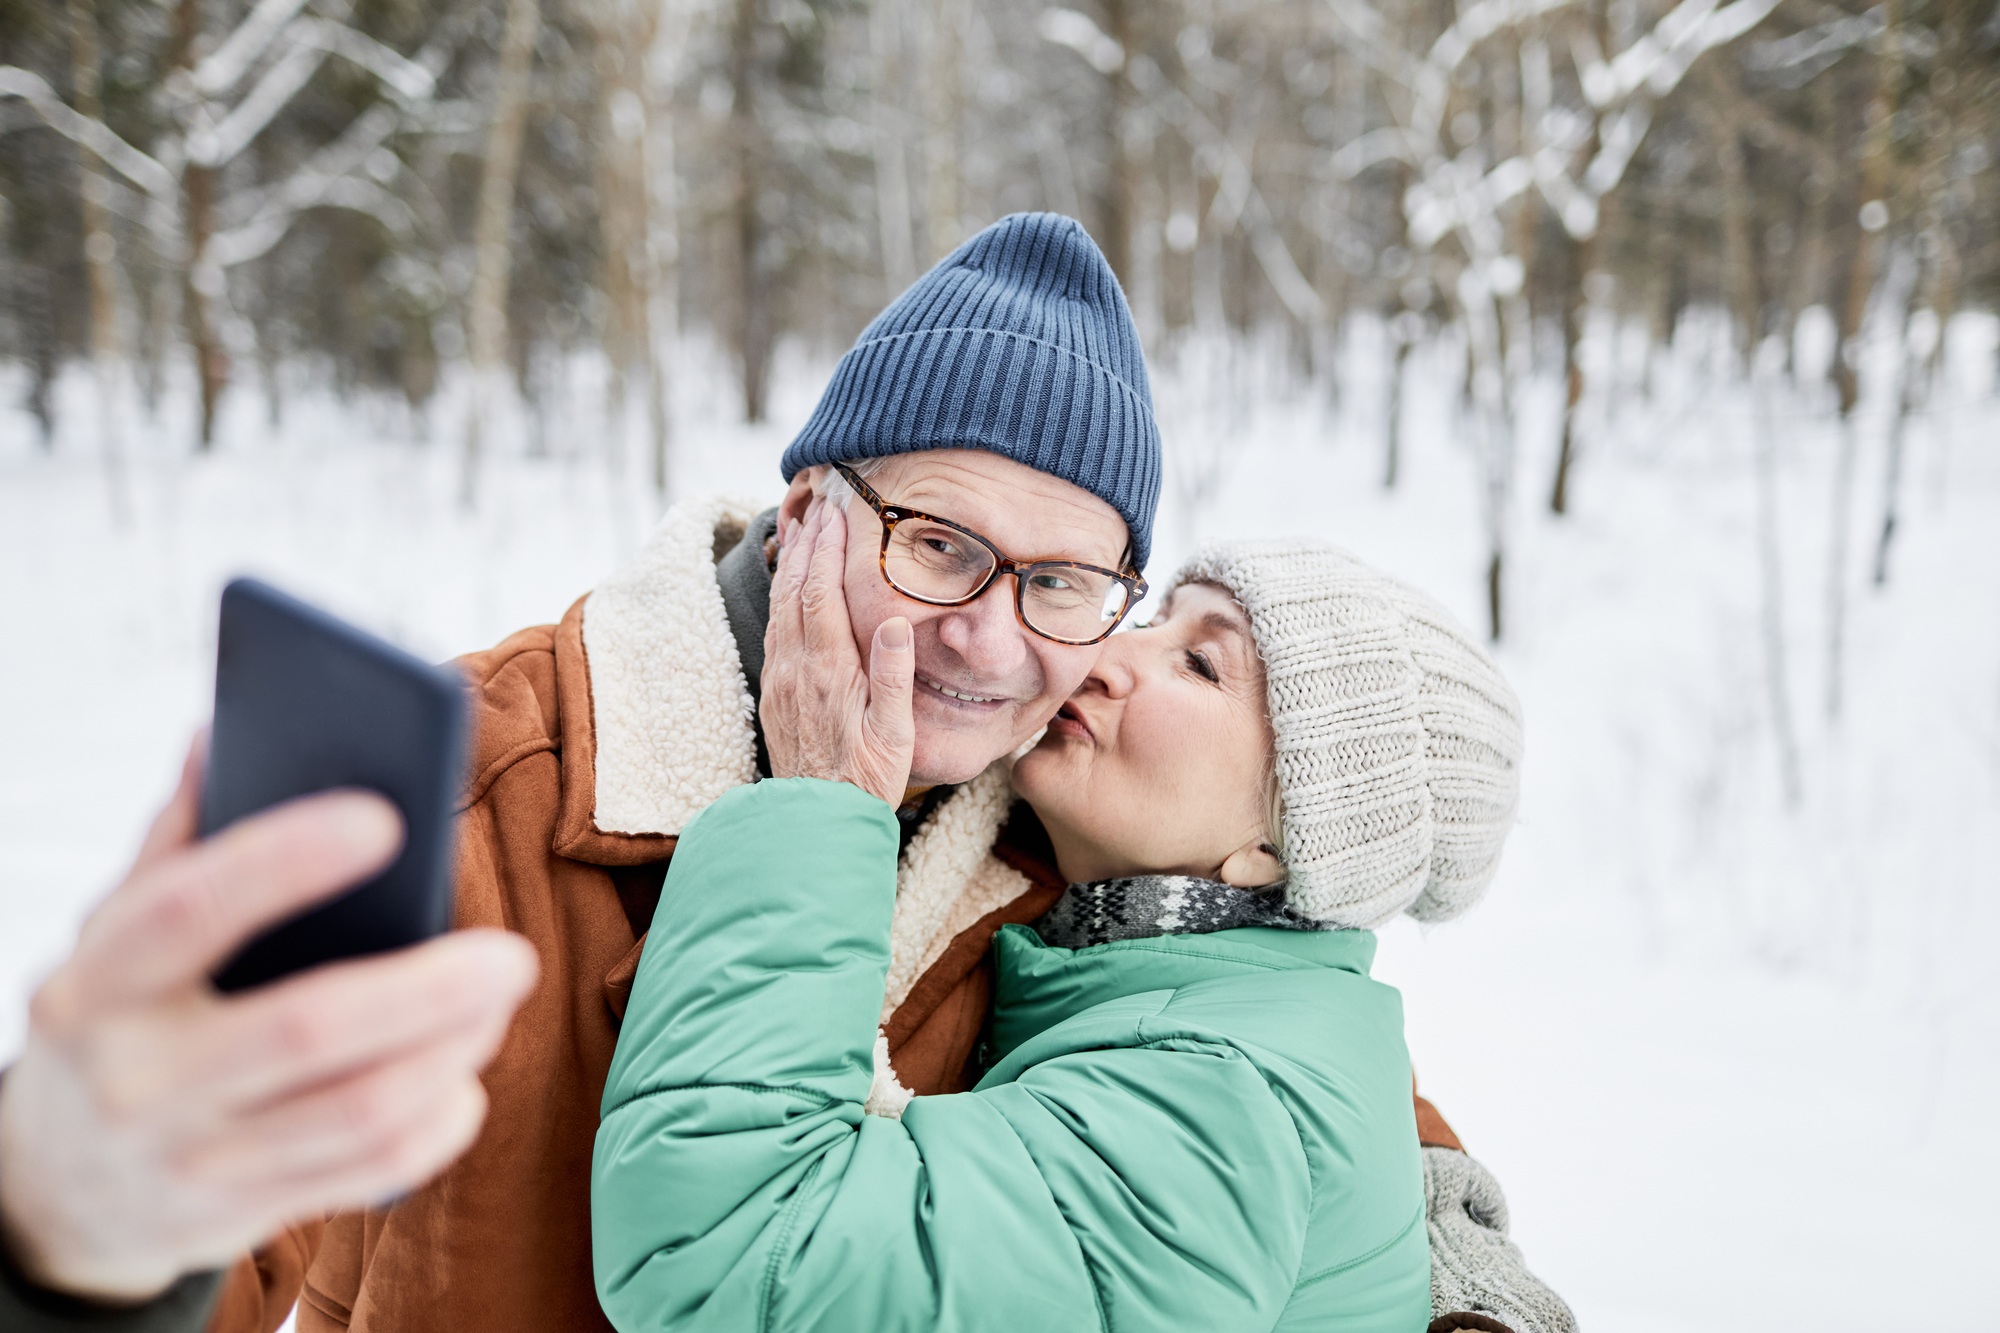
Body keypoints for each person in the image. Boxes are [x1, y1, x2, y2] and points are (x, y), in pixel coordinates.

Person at [0, 213, 1557, 1333]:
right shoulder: (498, 792)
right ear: (807, 506)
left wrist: (1450, 1276)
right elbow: (197, 1174)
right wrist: (63, 1231)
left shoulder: (1058, 821)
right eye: (938, 544)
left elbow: (1249, 1037)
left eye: (1068, 584)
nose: (994, 644)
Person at [593, 534, 1575, 1331]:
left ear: (1277, 850)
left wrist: (812, 803)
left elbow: (738, 1258)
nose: (1101, 658)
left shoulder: (1216, 1098)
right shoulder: (1212, 999)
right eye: (1148, 619)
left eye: (1199, 662)